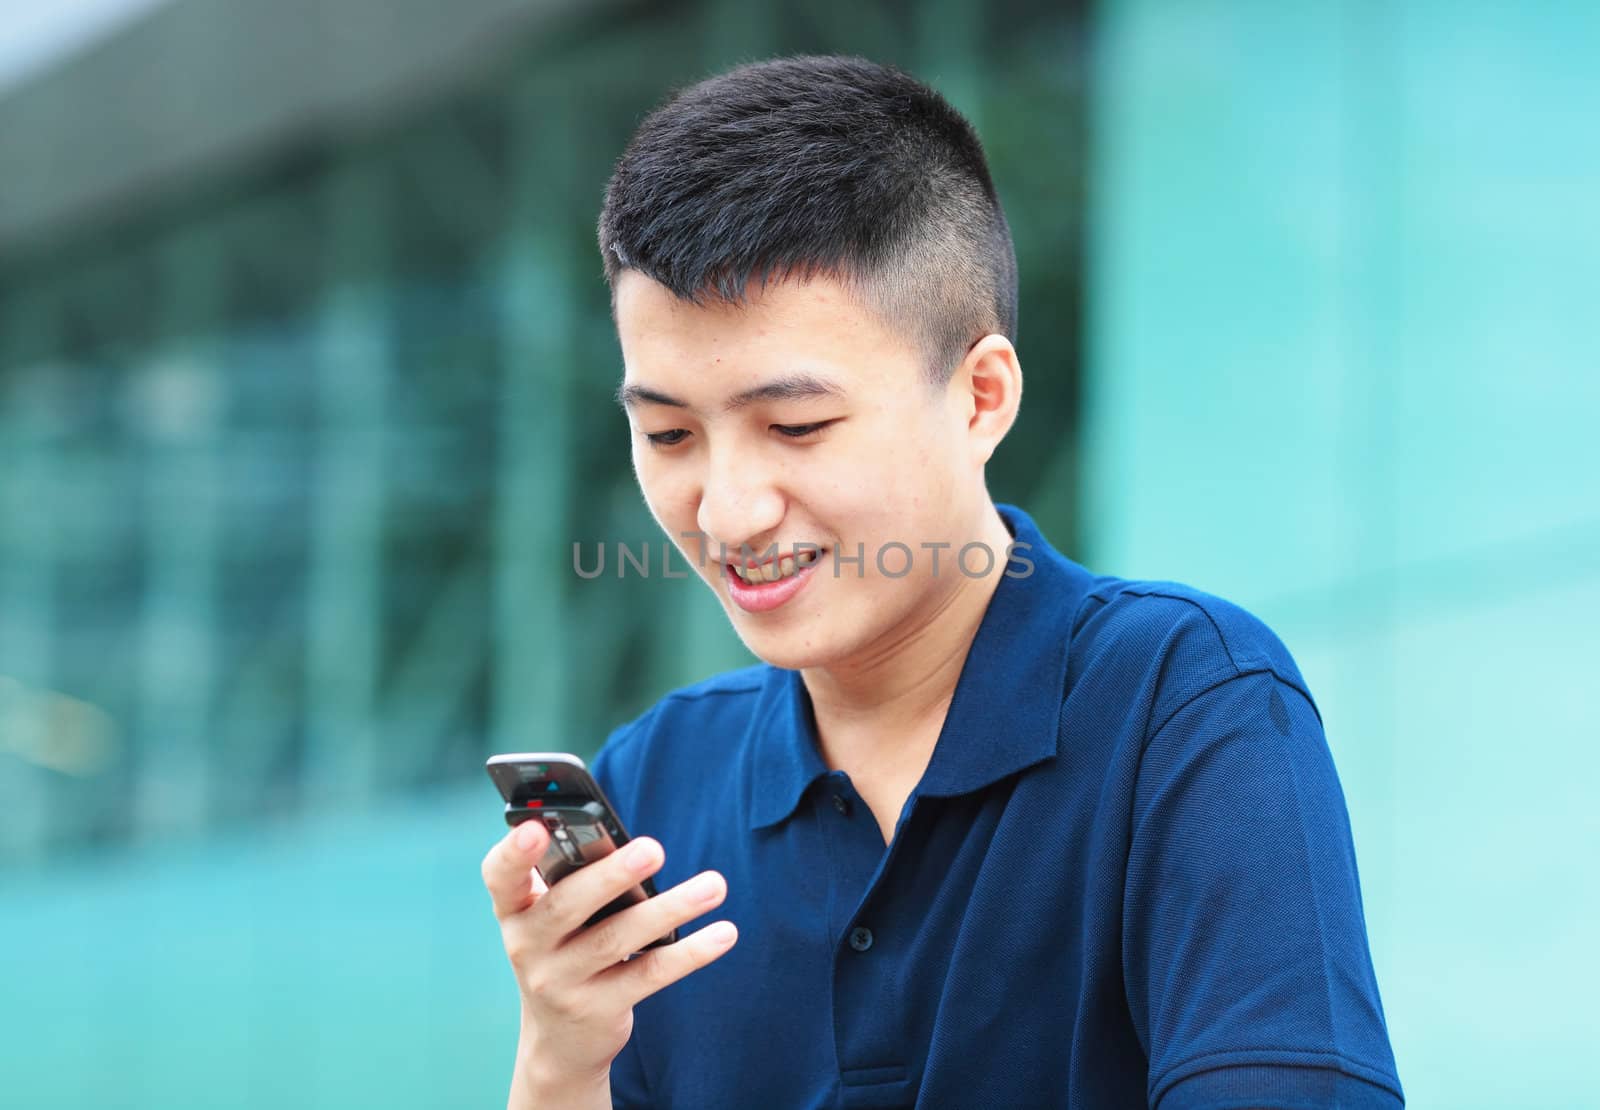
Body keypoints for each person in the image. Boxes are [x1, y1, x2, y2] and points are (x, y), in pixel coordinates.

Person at [480, 55, 1403, 1109]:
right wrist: (560, 1060)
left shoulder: (1183, 707)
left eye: (796, 427)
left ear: (979, 397)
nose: (727, 510)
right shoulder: (657, 781)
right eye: (667, 432)